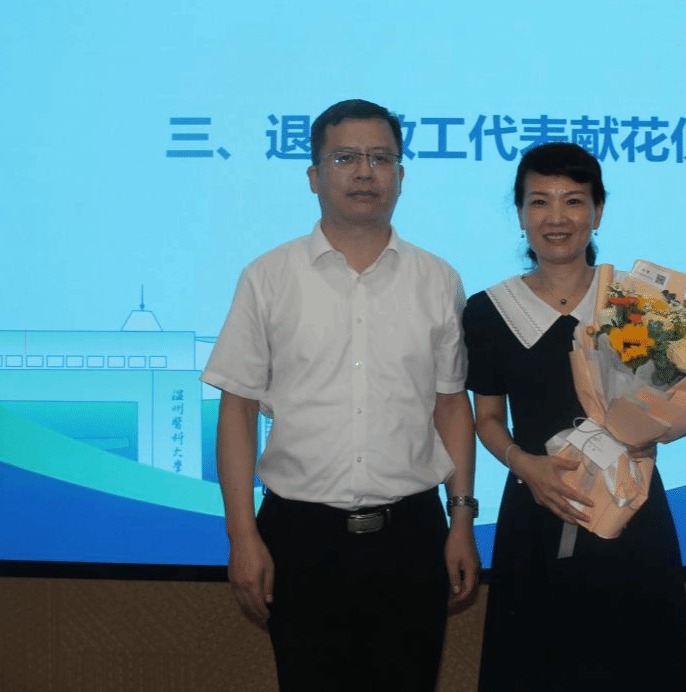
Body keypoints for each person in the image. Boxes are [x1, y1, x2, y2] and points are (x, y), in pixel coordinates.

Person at [201, 98, 480, 692]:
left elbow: (452, 405)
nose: (364, 172)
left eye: (381, 158)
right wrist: (242, 535)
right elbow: (238, 409)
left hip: (412, 535)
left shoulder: (438, 280)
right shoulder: (268, 277)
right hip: (299, 537)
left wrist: (461, 519)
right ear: (314, 175)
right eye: (345, 157)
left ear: (401, 175)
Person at [463, 142, 686, 690]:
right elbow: (487, 417)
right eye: (539, 201)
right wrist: (526, 465)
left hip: (631, 505)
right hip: (538, 506)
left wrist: (651, 428)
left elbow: (673, 401)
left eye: (573, 200)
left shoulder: (637, 303)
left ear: (598, 211)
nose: (556, 217)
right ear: (520, 213)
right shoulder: (488, 310)